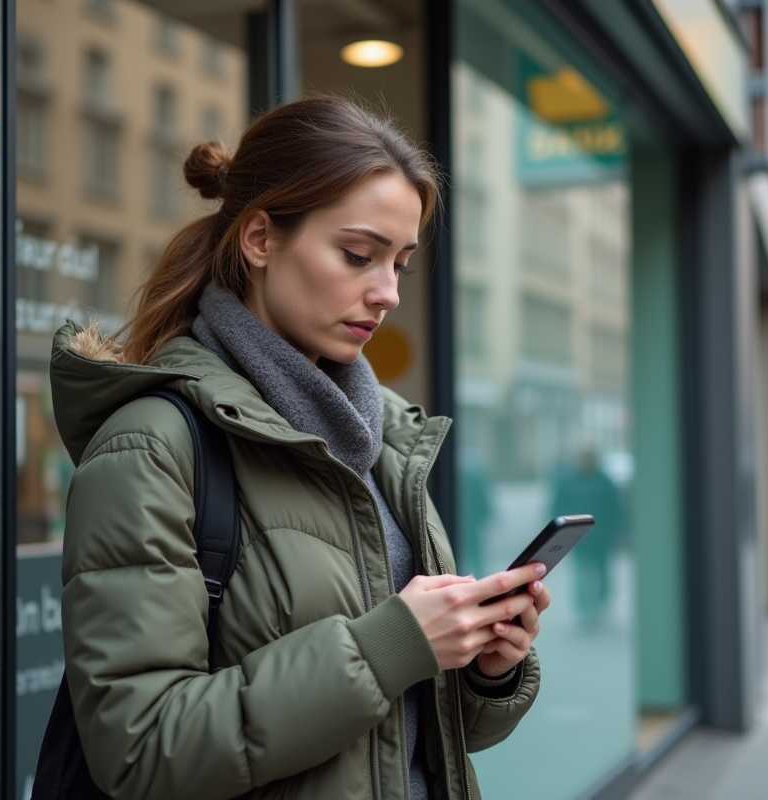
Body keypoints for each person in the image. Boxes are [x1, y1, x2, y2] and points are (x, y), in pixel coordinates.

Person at [47, 98, 549, 800]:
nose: (387, 293)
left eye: (400, 264)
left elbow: (407, 731)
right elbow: (141, 749)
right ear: (259, 238)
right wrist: (393, 644)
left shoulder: (382, 442)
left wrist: (484, 667)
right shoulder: (153, 445)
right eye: (358, 256)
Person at [549, 447, 625, 626]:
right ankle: (585, 611)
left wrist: (618, 531)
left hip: (601, 538)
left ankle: (599, 606)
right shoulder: (568, 481)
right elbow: (557, 506)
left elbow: (616, 509)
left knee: (602, 574)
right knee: (581, 575)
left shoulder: (604, 481)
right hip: (577, 537)